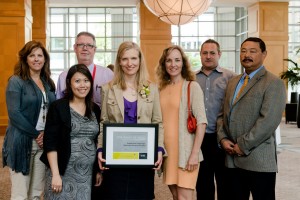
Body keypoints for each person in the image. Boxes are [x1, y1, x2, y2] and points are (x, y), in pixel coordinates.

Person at [217, 37, 286, 200]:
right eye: (243, 51)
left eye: (252, 51)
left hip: (259, 160)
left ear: (264, 54)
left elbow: (268, 121)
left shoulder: (273, 83)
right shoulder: (233, 82)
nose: (246, 55)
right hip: (232, 158)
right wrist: (223, 139)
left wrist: (242, 145)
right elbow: (222, 115)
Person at [97, 41, 165, 200]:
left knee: (142, 195)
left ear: (140, 60)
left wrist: (159, 148)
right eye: (125, 59)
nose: (130, 63)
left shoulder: (151, 88)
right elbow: (103, 122)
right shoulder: (108, 89)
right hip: (116, 156)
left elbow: (158, 122)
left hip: (143, 156)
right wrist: (101, 149)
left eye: (134, 58)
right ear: (119, 62)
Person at [2, 40, 56, 199]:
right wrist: (37, 134)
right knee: (20, 194)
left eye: (40, 55)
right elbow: (14, 114)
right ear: (25, 58)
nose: (36, 59)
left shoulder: (48, 83)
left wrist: (46, 134)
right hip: (22, 141)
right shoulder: (16, 81)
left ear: (45, 59)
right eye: (32, 55)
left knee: (36, 193)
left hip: (42, 142)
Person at [40, 64, 101, 200]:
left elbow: (97, 141)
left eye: (86, 80)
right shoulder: (58, 107)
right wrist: (55, 174)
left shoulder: (95, 109)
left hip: (86, 175)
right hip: (62, 172)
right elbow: (50, 143)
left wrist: (97, 170)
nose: (82, 85)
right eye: (77, 81)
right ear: (69, 83)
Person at [156, 45, 207, 200]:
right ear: (164, 64)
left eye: (177, 60)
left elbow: (202, 123)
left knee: (185, 197)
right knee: (176, 197)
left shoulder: (192, 86)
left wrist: (194, 154)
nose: (173, 64)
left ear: (183, 63)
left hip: (186, 152)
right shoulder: (161, 88)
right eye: (169, 61)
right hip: (167, 153)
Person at [195, 39, 236, 200]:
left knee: (225, 182)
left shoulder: (231, 78)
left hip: (222, 138)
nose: (208, 56)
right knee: (203, 183)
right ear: (200, 55)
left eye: (212, 53)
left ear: (219, 54)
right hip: (199, 138)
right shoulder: (191, 78)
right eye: (205, 53)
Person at [56, 31, 114, 107]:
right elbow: (59, 105)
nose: (85, 48)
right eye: (81, 45)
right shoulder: (63, 77)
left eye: (89, 45)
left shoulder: (108, 74)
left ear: (94, 49)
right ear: (75, 48)